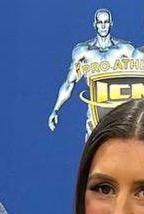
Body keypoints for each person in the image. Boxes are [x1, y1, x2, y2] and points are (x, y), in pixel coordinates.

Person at [48, 8, 135, 139]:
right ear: (95, 24)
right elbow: (69, 82)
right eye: (100, 22)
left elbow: (141, 78)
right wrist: (55, 109)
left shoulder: (125, 49)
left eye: (106, 22)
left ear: (111, 23)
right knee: (94, 147)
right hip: (95, 109)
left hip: (119, 108)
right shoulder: (83, 51)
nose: (103, 26)